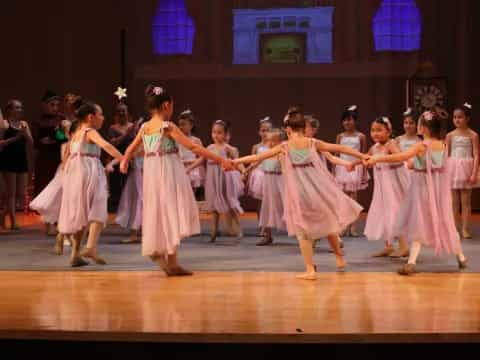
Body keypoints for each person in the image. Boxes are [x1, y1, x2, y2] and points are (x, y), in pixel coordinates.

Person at [120, 85, 234, 276]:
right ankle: (163, 256)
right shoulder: (168, 127)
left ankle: (171, 262)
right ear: (166, 105)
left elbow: (131, 149)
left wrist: (124, 161)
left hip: (152, 173)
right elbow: (194, 148)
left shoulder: (145, 127)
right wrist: (221, 159)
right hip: (168, 172)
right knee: (171, 210)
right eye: (172, 105)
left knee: (162, 211)